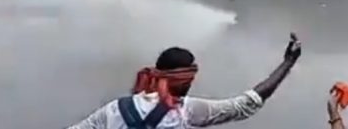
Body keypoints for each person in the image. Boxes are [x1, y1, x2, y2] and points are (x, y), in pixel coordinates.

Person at [65, 33, 302, 129]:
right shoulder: (186, 112)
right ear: (183, 80)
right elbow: (246, 104)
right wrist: (287, 63)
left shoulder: (115, 109)